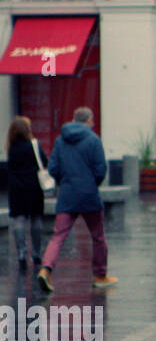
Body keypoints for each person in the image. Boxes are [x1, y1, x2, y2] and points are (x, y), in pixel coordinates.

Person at [37, 107, 111, 292]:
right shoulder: (94, 140)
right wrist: (91, 184)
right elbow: (101, 169)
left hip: (67, 195)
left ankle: (46, 270)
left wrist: (66, 181)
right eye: (92, 121)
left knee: (58, 236)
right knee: (98, 237)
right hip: (89, 195)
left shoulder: (61, 140)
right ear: (88, 121)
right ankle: (100, 275)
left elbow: (53, 168)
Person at [6, 116, 46, 273]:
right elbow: (44, 162)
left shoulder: (11, 148)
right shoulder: (33, 145)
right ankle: (36, 253)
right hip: (34, 186)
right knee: (36, 218)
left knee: (19, 220)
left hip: (16, 189)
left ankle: (21, 253)